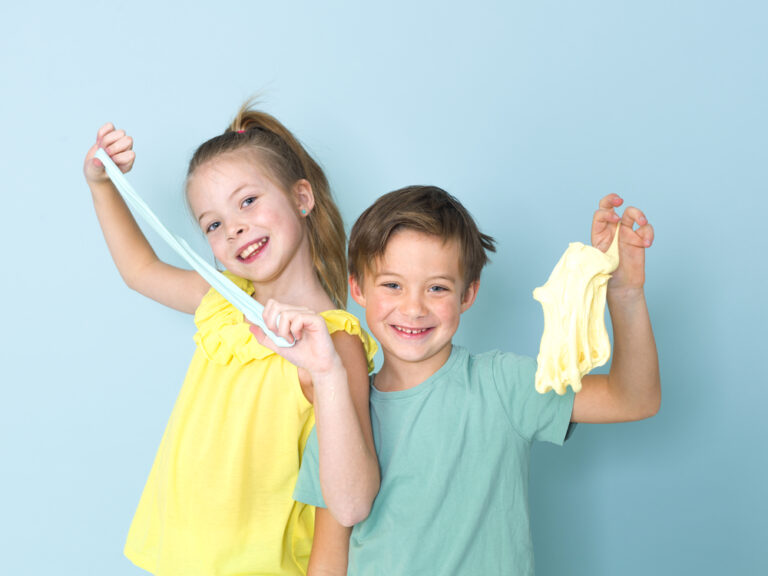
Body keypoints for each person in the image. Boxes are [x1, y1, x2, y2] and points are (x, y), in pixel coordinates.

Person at [294, 185, 660, 575]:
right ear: (357, 288)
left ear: (468, 295)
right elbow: (329, 556)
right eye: (392, 285)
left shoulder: (502, 385)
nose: (413, 308)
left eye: (437, 288)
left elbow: (634, 398)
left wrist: (624, 293)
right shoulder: (341, 414)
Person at [82, 102, 380, 576]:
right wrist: (102, 185)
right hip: (182, 563)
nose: (234, 227)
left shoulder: (334, 342)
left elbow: (347, 504)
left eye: (247, 201)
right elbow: (140, 270)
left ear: (302, 198)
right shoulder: (225, 300)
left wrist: (325, 372)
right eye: (213, 224)